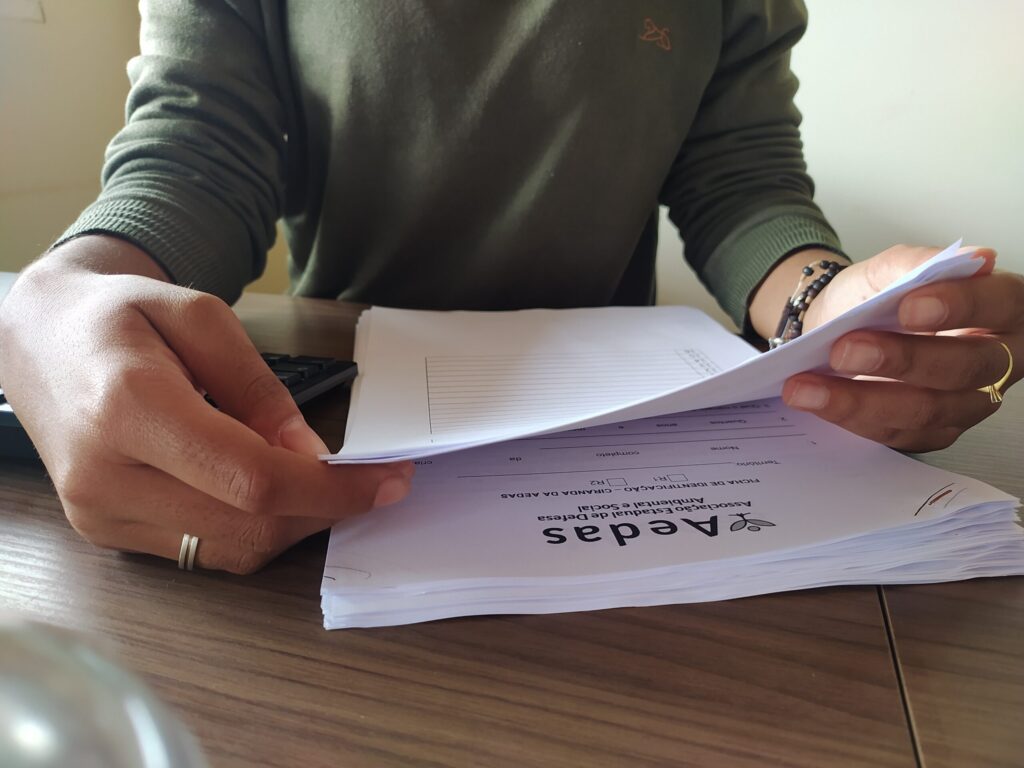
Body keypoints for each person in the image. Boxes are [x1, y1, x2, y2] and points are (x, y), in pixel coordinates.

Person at [0, 1, 1020, 574]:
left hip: (626, 430)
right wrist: (71, 287)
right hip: (322, 429)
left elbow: (739, 180)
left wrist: (830, 310)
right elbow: (197, 155)